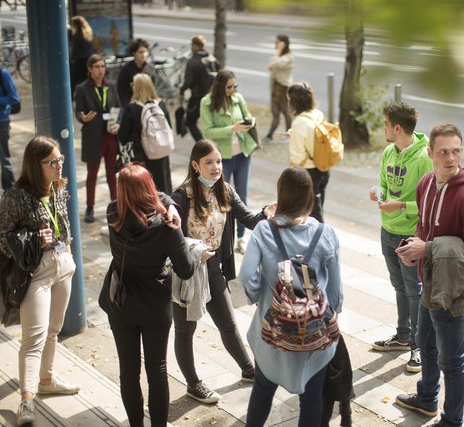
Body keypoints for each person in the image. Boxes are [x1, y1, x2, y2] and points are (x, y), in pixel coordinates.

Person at [394, 123, 464, 427]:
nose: (451, 158)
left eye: (456, 151)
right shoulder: (425, 183)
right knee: (425, 341)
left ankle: (453, 420)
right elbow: (424, 226)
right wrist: (413, 245)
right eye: (443, 152)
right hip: (429, 282)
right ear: (430, 153)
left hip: (454, 290)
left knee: (452, 360)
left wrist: (429, 249)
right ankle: (426, 399)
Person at [170, 139, 276, 403]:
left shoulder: (225, 191)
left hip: (215, 269)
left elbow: (249, 220)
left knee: (228, 325)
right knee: (186, 330)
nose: (216, 167)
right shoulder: (181, 196)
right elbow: (171, 240)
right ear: (195, 165)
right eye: (209, 162)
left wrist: (266, 212)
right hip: (188, 272)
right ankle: (193, 384)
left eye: (218, 161)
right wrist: (193, 254)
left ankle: (249, 370)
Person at [238, 166, 342, 427]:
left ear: (281, 195)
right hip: (315, 335)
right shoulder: (325, 234)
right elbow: (336, 292)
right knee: (312, 397)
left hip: (272, 331)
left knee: (262, 389)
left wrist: (260, 299)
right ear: (310, 196)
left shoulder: (263, 231)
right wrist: (324, 311)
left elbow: (247, 276)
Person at [99, 163, 195, 427]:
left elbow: (152, 199)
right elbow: (186, 269)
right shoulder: (166, 227)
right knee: (157, 369)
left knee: (128, 372)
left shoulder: (112, 213)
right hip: (155, 306)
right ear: (149, 188)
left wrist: (169, 205)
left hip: (121, 304)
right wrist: (176, 223)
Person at [0, 137, 80, 426]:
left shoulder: (57, 188)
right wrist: (35, 238)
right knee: (33, 338)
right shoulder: (17, 196)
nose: (60, 165)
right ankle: (26, 401)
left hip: (63, 267)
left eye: (60, 160)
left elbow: (64, 223)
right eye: (53, 162)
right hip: (36, 273)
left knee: (54, 330)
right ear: (36, 166)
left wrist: (68, 255)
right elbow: (3, 238)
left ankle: (46, 378)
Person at [368, 102, 432, 373]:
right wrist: (379, 194)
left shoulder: (423, 157)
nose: (383, 129)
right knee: (399, 287)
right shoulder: (387, 152)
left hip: (410, 234)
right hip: (387, 229)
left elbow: (431, 201)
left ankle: (418, 346)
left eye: (385, 125)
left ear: (397, 128)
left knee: (414, 290)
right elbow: (383, 183)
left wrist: (402, 206)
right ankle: (403, 335)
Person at [200, 69, 258, 254]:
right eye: (229, 86)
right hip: (222, 157)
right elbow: (208, 131)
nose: (233, 89)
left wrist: (249, 122)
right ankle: (225, 237)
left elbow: (248, 116)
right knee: (222, 196)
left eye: (235, 86)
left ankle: (241, 237)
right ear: (219, 86)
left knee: (242, 195)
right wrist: (232, 128)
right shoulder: (207, 102)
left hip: (242, 153)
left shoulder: (237, 98)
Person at [74, 54, 121, 223]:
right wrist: (82, 118)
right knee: (92, 174)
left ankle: (115, 205)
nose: (101, 70)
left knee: (111, 174)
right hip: (93, 137)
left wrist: (119, 125)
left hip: (110, 136)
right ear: (89, 69)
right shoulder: (82, 88)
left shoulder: (111, 86)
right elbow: (78, 110)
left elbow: (119, 108)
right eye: (97, 67)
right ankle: (90, 207)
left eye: (102, 66)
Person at [118, 73, 173, 194]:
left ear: (135, 87)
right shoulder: (161, 104)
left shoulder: (131, 108)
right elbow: (170, 127)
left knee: (145, 191)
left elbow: (122, 137)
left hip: (142, 157)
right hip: (161, 154)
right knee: (163, 191)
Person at [287, 82, 331, 223]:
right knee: (319, 206)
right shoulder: (317, 114)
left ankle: (320, 242)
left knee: (312, 214)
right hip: (323, 167)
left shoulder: (299, 122)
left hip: (309, 172)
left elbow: (297, 156)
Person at [180, 35, 216, 142]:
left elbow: (188, 81)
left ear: (196, 45)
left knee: (190, 122)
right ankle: (212, 145)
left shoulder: (193, 61)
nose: (191, 47)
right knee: (210, 123)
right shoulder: (210, 58)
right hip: (210, 96)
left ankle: (203, 146)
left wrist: (181, 90)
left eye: (191, 45)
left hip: (197, 98)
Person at [266, 34, 293, 141]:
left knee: (286, 111)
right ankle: (270, 135)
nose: (275, 44)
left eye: (278, 42)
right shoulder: (279, 56)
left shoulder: (289, 57)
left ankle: (288, 135)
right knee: (275, 111)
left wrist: (278, 51)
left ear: (284, 44)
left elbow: (274, 64)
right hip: (275, 86)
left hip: (283, 87)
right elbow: (271, 64)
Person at [116, 38, 157, 108]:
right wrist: (127, 106)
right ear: (134, 53)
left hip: (147, 105)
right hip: (131, 105)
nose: (143, 54)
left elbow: (153, 87)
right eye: (140, 52)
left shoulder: (150, 68)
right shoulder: (126, 69)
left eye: (145, 51)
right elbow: (121, 89)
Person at [0, 65, 18, 192]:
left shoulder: (3, 73)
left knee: (4, 158)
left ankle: (9, 192)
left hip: (1, 121)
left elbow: (14, 98)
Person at [69, 16, 95, 94]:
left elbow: (74, 51)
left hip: (79, 62)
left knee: (74, 82)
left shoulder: (77, 36)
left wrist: (72, 60)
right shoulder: (88, 35)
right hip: (88, 61)